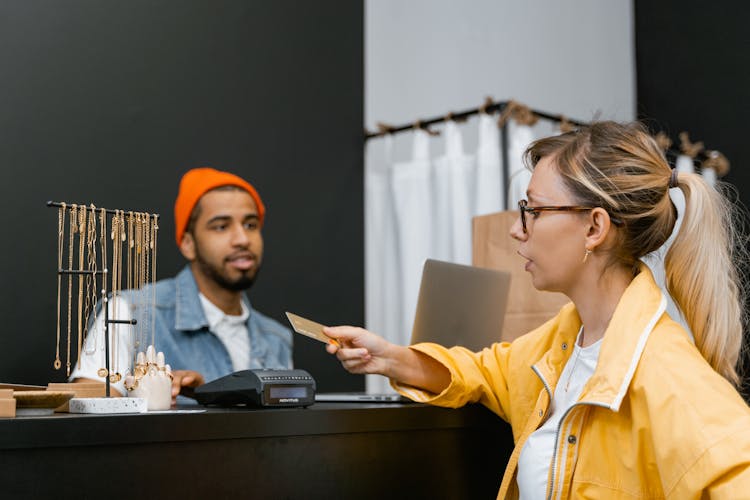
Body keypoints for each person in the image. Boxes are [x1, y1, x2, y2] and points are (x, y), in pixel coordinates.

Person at [324, 121, 750, 498]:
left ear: (594, 227)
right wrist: (388, 356)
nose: (516, 228)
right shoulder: (564, 341)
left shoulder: (666, 374)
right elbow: (486, 372)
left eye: (533, 211)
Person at [72, 167, 293, 403]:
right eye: (221, 226)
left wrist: (209, 396)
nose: (242, 239)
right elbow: (88, 413)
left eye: (251, 225)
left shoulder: (276, 338)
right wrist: (148, 396)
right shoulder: (129, 312)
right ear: (188, 243)